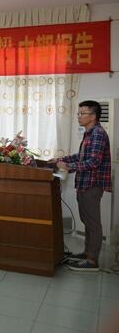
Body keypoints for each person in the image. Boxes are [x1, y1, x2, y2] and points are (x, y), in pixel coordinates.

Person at [53, 100, 111, 272]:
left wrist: (68, 166)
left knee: (93, 223)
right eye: (78, 113)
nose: (78, 116)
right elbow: (81, 156)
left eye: (82, 113)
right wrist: (59, 160)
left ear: (93, 116)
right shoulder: (89, 133)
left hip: (92, 184)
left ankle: (92, 261)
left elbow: (93, 161)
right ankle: (87, 253)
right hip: (84, 183)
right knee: (87, 220)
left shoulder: (98, 133)